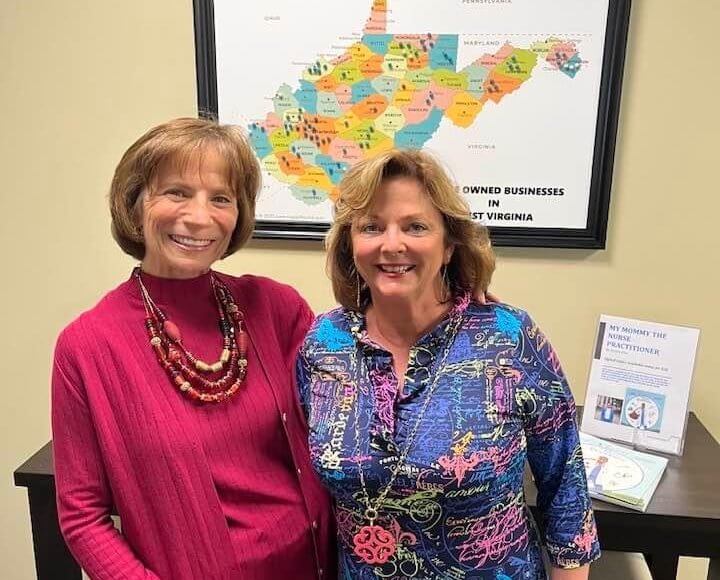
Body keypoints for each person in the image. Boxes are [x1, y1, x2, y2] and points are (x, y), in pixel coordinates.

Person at [51, 118, 335, 579]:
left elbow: (355, 401)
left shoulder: (275, 308)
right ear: (135, 204)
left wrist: (443, 299)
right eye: (177, 192)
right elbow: (82, 517)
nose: (200, 217)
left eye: (220, 198)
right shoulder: (88, 346)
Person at [296, 149, 601, 579]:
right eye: (371, 226)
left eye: (415, 226)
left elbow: (565, 486)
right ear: (351, 244)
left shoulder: (508, 336)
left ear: (449, 246)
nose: (392, 244)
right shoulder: (324, 343)